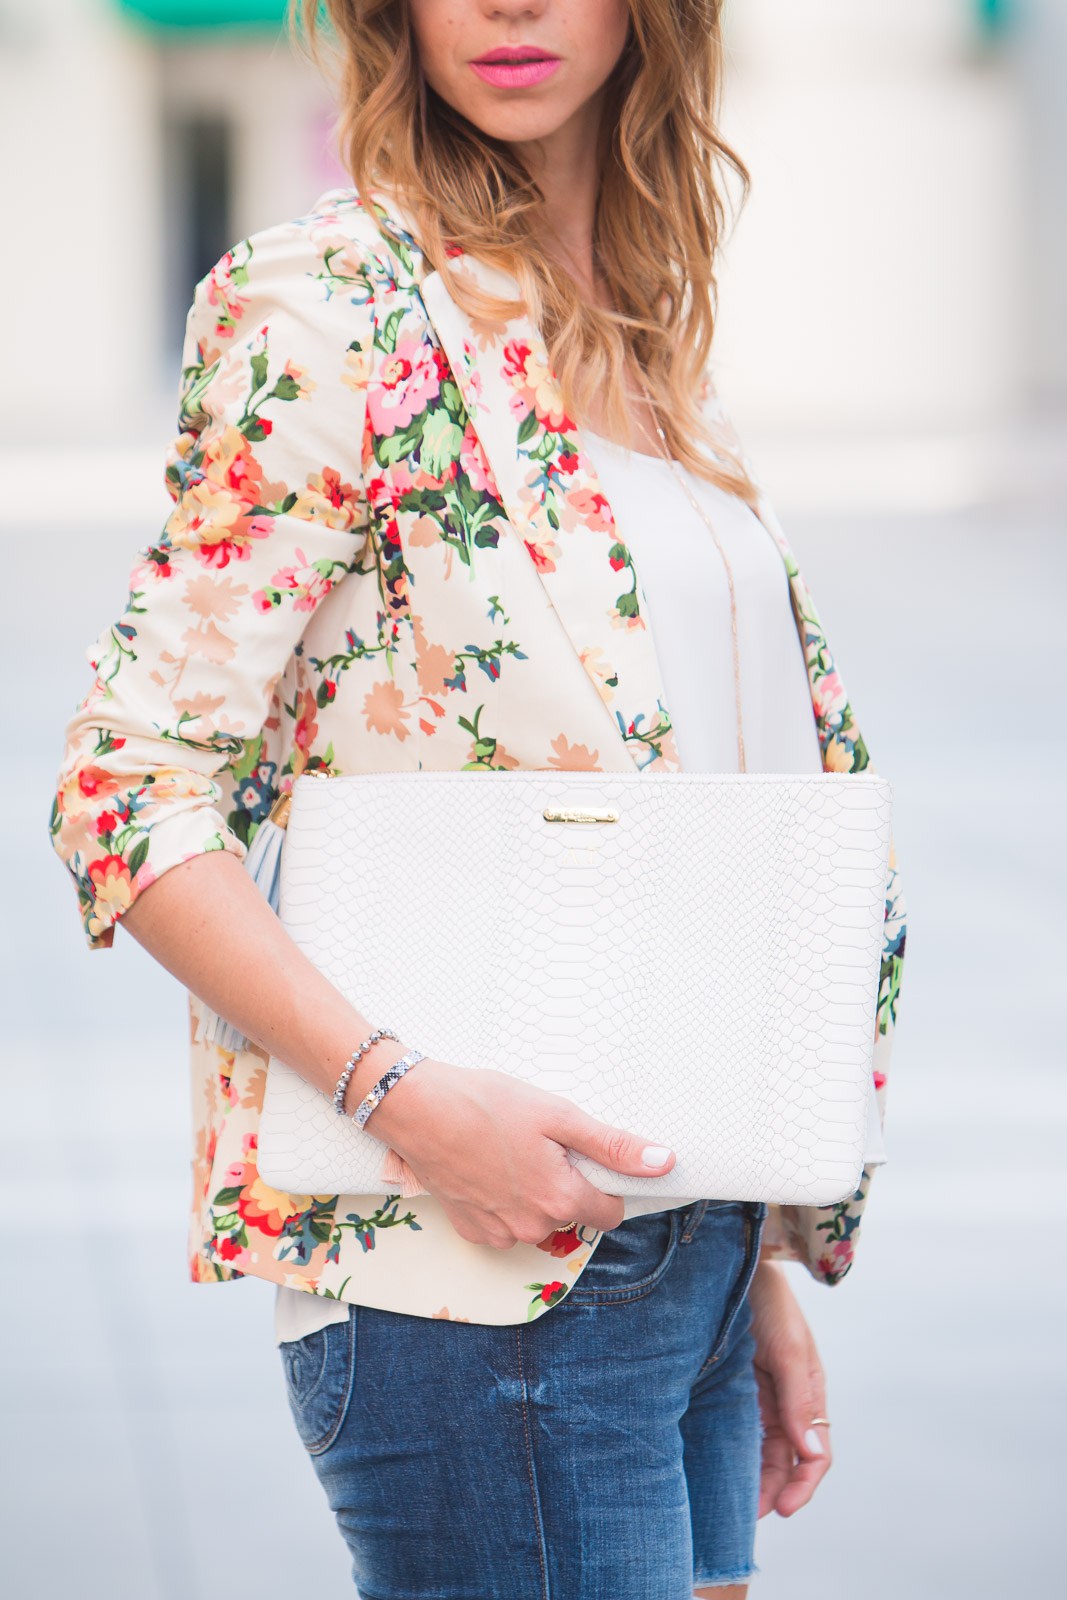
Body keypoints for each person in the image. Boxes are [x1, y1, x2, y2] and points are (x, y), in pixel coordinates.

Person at [48, 3, 907, 1596]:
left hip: (686, 1252)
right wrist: (410, 1103)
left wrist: (750, 1252)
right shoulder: (330, 305)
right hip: (477, 1276)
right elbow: (128, 790)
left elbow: (697, 813)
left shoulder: (640, 328)